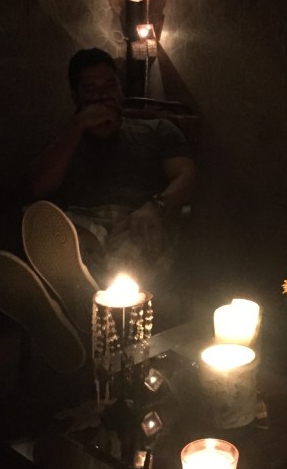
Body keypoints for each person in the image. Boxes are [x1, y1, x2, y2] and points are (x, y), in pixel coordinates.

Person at [29, 47, 197, 292]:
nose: (103, 96)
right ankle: (71, 295)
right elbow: (37, 189)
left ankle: (78, 301)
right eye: (91, 89)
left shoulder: (157, 129)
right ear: (76, 98)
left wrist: (156, 206)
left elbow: (187, 175)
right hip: (79, 225)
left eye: (110, 86)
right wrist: (78, 126)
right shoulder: (65, 140)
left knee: (121, 267)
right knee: (43, 232)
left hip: (135, 220)